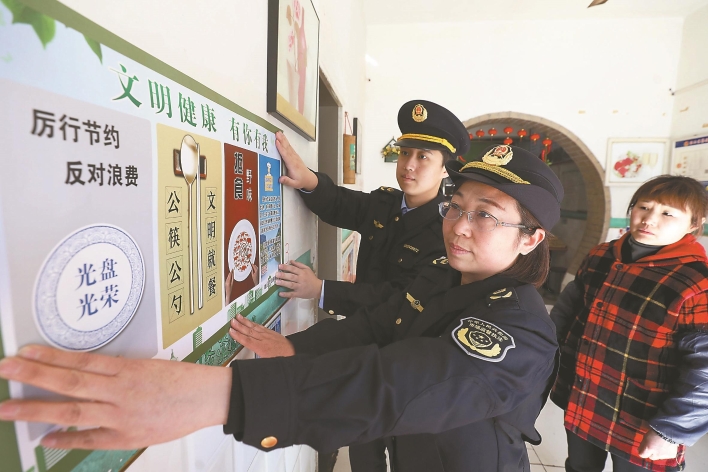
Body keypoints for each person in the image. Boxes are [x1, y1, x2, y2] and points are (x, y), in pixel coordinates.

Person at [0, 144, 562, 472]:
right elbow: (378, 324)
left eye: (487, 214)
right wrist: (296, 346)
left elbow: (398, 383)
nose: (460, 224)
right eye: (457, 205)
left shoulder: (518, 326)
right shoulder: (446, 271)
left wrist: (221, 397)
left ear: (530, 239)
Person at [550, 175, 708, 472]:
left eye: (667, 213)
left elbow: (705, 370)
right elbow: (565, 314)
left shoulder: (697, 282)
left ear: (692, 224)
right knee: (580, 467)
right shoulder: (601, 255)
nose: (649, 219)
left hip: (645, 416)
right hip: (585, 395)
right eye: (643, 207)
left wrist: (671, 430)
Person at [274, 99, 470, 320]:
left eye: (423, 156)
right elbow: (339, 203)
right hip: (358, 328)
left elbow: (400, 297)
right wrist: (307, 179)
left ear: (445, 169)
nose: (409, 165)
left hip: (394, 345)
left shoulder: (445, 230)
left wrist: (321, 289)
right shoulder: (384, 204)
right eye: (405, 153)